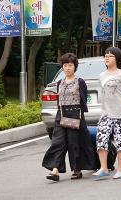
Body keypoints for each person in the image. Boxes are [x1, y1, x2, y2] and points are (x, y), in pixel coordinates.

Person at [42, 53, 95, 181]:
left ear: (75, 67)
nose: (67, 68)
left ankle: (77, 170)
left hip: (75, 113)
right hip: (61, 114)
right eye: (65, 65)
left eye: (70, 65)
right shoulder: (60, 82)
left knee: (74, 143)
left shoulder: (80, 81)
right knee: (58, 142)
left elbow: (83, 100)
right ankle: (55, 171)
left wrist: (80, 116)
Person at [93, 47, 121, 180]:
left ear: (117, 58)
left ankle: (120, 170)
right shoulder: (102, 75)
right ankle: (104, 168)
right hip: (106, 113)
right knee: (101, 138)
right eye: (105, 56)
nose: (107, 58)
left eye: (110, 56)